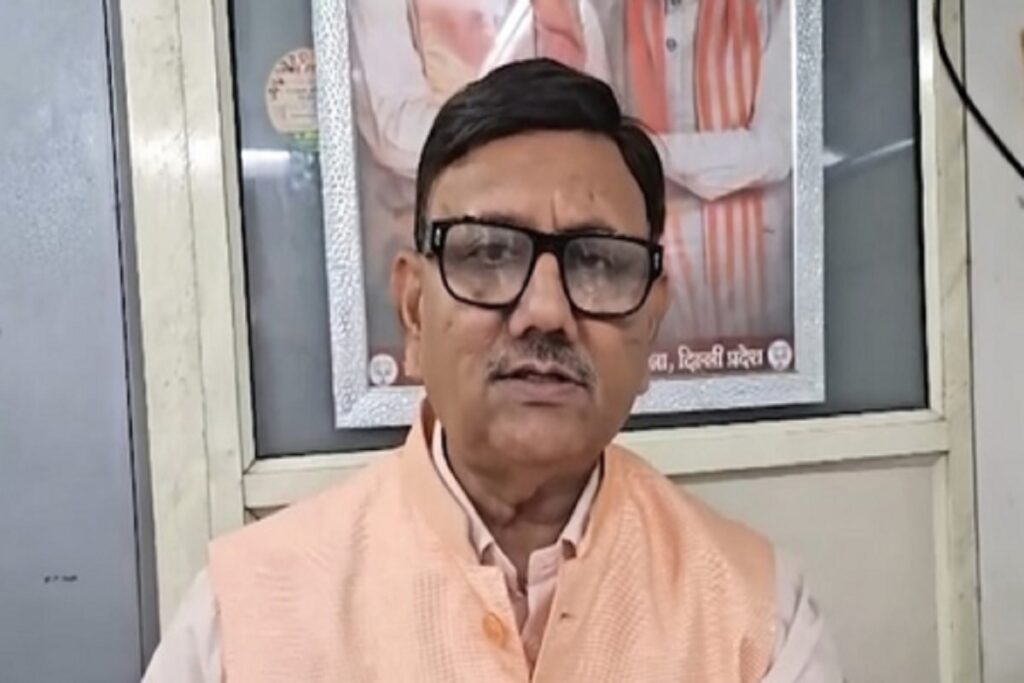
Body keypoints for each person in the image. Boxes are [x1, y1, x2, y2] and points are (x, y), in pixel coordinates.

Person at [142, 59, 841, 681]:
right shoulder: (240, 622)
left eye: (598, 261)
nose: (546, 312)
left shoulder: (761, 620)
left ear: (651, 324)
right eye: (488, 253)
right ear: (414, 310)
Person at [350, 0, 611, 368]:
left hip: (565, 260)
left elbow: (601, 135)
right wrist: (538, 149)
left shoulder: (573, 8)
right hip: (456, 255)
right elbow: (394, 130)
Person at [621, 0, 794, 344]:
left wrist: (643, 151)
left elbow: (777, 149)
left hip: (757, 289)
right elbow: (595, 145)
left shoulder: (776, 7)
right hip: (657, 286)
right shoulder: (611, 12)